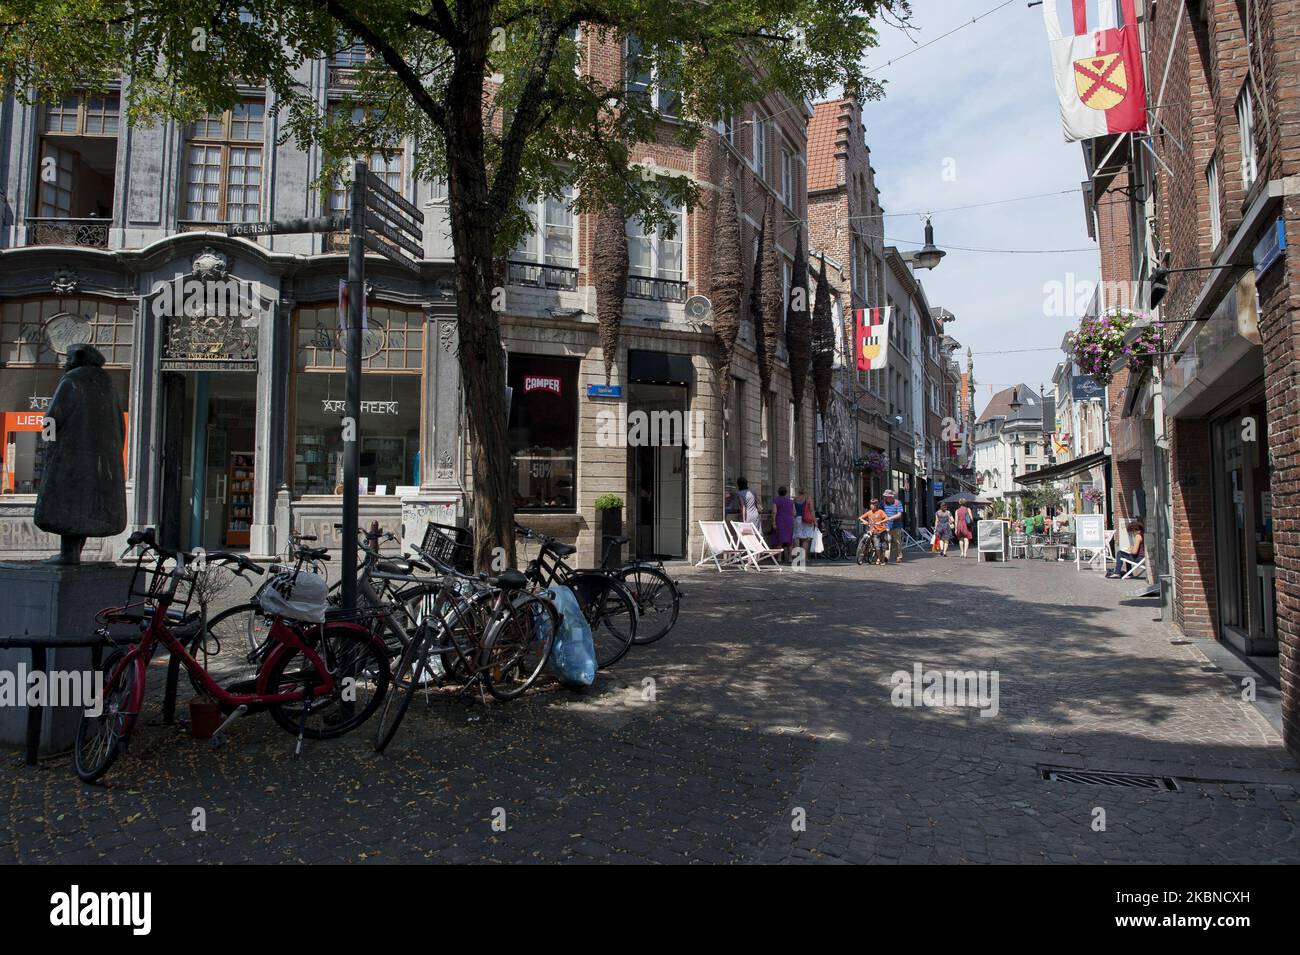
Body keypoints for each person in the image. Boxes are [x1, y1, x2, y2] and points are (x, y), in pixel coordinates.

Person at [858, 498, 889, 565]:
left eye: (873, 504)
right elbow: (860, 517)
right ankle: (880, 558)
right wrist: (865, 521)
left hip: (882, 531)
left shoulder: (880, 511)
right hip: (874, 532)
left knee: (883, 547)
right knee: (877, 546)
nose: (871, 506)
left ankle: (882, 560)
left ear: (876, 505)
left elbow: (887, 518)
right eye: (871, 504)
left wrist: (881, 522)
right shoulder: (869, 512)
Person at [772, 486, 796, 563]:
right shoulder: (790, 501)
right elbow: (794, 513)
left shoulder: (776, 500)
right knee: (790, 540)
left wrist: (773, 522)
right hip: (789, 521)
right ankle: (790, 558)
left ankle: (779, 558)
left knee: (780, 539)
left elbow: (774, 512)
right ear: (786, 493)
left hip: (780, 520)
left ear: (778, 492)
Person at [882, 489, 905, 564]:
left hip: (896, 526)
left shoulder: (898, 503)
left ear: (892, 496)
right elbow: (880, 512)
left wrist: (890, 518)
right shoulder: (883, 503)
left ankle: (899, 556)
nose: (886, 498)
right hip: (886, 526)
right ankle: (886, 557)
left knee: (898, 542)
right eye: (885, 496)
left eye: (887, 496)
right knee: (887, 541)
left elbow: (899, 514)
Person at [792, 489, 817, 560]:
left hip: (797, 519)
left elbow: (793, 511)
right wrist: (815, 520)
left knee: (797, 537)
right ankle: (804, 557)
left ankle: (797, 557)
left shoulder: (795, 499)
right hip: (807, 520)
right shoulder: (808, 499)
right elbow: (812, 511)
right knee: (806, 539)